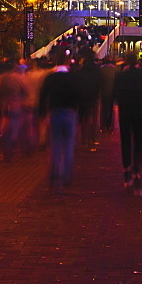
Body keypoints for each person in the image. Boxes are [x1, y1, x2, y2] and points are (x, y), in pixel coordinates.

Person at [112, 52, 142, 196]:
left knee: (125, 141)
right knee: (139, 142)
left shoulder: (121, 77)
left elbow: (115, 95)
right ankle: (137, 170)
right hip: (141, 112)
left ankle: (127, 169)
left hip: (126, 112)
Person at [38, 54, 82, 192]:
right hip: (70, 113)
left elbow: (43, 96)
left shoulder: (51, 78)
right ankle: (66, 176)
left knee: (55, 145)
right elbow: (79, 96)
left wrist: (42, 114)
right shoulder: (73, 78)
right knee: (68, 146)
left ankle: (54, 174)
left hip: (55, 112)